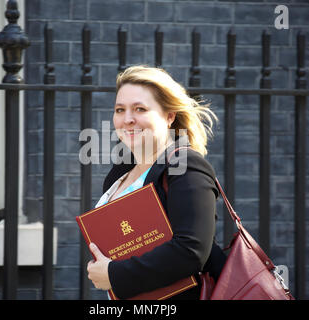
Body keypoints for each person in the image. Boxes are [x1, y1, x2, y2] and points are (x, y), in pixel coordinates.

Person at [86, 65, 226, 300]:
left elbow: (191, 251)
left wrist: (114, 274)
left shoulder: (186, 165)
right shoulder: (120, 172)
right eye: (120, 110)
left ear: (169, 116)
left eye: (140, 109)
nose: (128, 119)